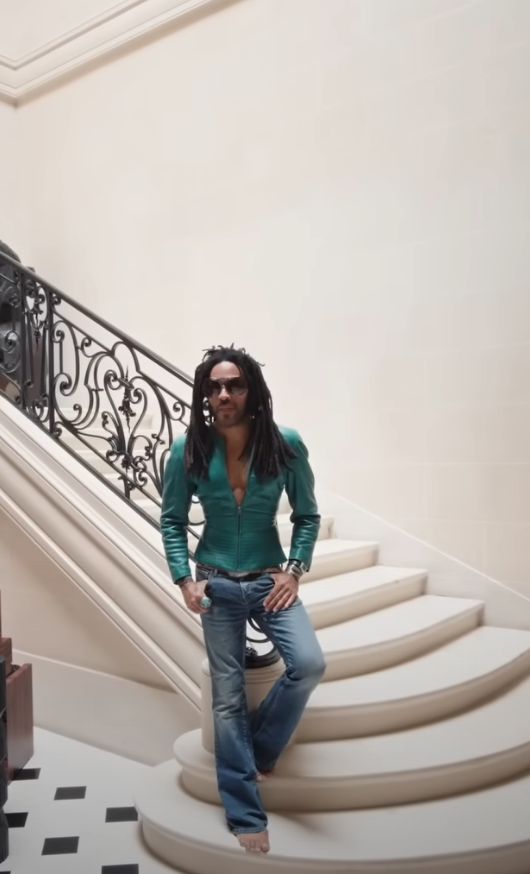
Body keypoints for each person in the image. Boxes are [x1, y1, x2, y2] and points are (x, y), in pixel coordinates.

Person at [159, 345, 325, 855]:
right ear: (204, 394)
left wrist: (294, 571)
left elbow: (307, 515)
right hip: (216, 584)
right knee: (227, 696)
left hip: (267, 579)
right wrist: (186, 579)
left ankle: (262, 747)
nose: (222, 394)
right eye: (213, 386)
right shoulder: (189, 447)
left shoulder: (284, 444)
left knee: (310, 664)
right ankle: (245, 812)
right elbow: (170, 519)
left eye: (233, 384)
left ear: (252, 390)